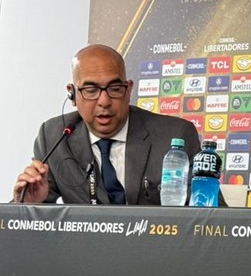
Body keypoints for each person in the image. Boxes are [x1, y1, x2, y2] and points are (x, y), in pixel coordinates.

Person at [13, 44, 201, 205]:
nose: (104, 101)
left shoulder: (175, 135)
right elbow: (30, 223)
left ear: (128, 90)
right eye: (91, 90)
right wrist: (28, 204)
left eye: (115, 88)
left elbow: (206, 213)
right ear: (72, 94)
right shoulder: (54, 136)